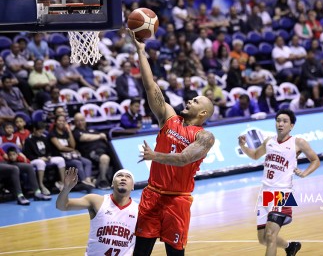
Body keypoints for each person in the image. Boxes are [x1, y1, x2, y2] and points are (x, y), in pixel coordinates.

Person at [128, 29, 215, 256]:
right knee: (140, 253)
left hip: (177, 200)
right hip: (152, 194)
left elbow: (185, 158)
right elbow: (151, 87)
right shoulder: (169, 117)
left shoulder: (204, 136)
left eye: (195, 101)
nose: (189, 100)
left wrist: (154, 155)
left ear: (203, 112)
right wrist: (140, 50)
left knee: (174, 254)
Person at [238, 109, 320, 256]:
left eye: (284, 121)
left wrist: (304, 173)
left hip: (282, 194)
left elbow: (315, 160)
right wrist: (243, 146)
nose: (280, 124)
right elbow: (256, 155)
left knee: (270, 235)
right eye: (278, 120)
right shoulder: (269, 140)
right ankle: (290, 246)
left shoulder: (298, 142)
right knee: (263, 239)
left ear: (292, 125)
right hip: (264, 193)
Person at [56, 168, 139, 255]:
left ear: (132, 186)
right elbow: (62, 206)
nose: (123, 178)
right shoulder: (96, 200)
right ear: (112, 184)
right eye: (119, 175)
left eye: (128, 177)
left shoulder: (139, 210)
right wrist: (66, 189)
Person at [72, 112, 113, 190]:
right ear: (75, 122)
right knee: (104, 158)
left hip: (103, 149)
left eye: (82, 120)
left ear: (85, 120)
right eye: (78, 121)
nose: (80, 122)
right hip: (90, 153)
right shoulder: (75, 132)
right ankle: (103, 181)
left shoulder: (91, 129)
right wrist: (100, 136)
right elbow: (84, 138)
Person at [23, 121, 66, 195]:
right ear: (34, 130)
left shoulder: (44, 138)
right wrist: (39, 158)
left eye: (42, 131)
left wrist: (48, 156)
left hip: (45, 158)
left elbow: (49, 150)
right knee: (41, 162)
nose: (41, 133)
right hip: (34, 160)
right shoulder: (28, 140)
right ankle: (41, 185)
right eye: (39, 132)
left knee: (60, 160)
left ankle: (62, 183)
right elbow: (28, 155)